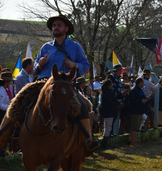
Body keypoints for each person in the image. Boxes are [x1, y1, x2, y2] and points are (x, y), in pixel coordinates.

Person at [0, 14, 97, 157]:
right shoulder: (45, 47)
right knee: (17, 102)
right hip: (43, 83)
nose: (55, 27)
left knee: (83, 105)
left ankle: (88, 141)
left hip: (65, 86)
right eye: (54, 26)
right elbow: (35, 70)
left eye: (58, 25)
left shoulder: (75, 47)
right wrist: (39, 65)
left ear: (66, 28)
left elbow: (85, 65)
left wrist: (74, 65)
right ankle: (1, 138)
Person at [99, 79, 119, 149]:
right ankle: (105, 143)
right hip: (109, 112)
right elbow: (114, 101)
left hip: (105, 112)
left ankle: (105, 142)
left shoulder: (103, 93)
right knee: (108, 128)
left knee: (106, 127)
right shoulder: (109, 93)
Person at [128, 78, 148, 147]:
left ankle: (135, 141)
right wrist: (140, 101)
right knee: (133, 127)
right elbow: (132, 101)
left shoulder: (140, 90)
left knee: (136, 127)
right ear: (140, 83)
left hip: (139, 111)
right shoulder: (134, 90)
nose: (144, 84)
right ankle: (133, 142)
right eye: (143, 82)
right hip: (135, 111)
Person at [106, 64, 124, 136]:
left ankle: (112, 132)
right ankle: (109, 133)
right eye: (120, 70)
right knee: (111, 118)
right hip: (112, 100)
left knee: (115, 117)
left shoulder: (118, 78)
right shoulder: (111, 77)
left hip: (118, 100)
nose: (121, 71)